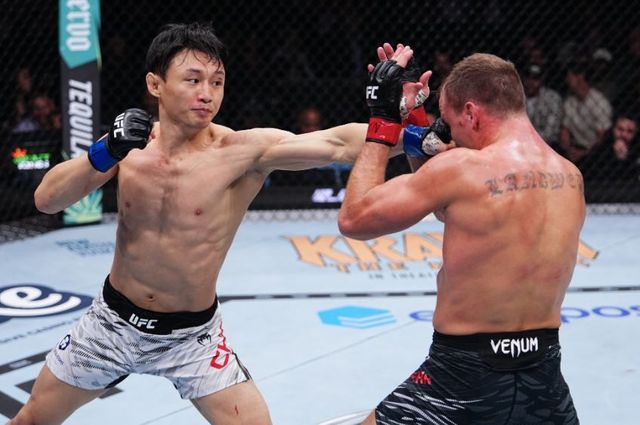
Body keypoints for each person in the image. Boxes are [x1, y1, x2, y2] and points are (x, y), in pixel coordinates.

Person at [8, 23, 410, 425]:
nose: (207, 93)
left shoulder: (241, 152)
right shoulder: (128, 148)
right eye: (193, 80)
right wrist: (105, 150)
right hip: (111, 324)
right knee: (30, 421)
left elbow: (338, 144)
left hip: (191, 338)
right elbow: (47, 200)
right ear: (155, 84)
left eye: (217, 82)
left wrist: (409, 127)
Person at [339, 45, 583, 424]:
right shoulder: (570, 176)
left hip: (460, 377)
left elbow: (355, 218)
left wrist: (383, 119)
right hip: (543, 380)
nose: (448, 137)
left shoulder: (463, 168)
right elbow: (448, 207)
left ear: (471, 112)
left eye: (450, 124)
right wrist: (414, 119)